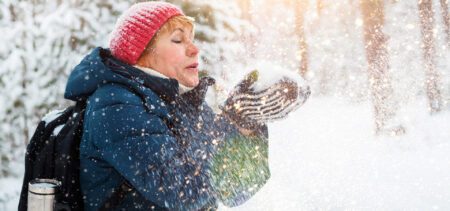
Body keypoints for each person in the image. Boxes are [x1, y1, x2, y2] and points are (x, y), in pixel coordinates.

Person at [64, 2, 308, 210]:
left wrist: (248, 122)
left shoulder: (182, 102)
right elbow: (180, 189)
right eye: (178, 40)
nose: (195, 49)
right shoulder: (115, 106)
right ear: (141, 55)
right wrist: (235, 121)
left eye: (192, 39)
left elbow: (235, 190)